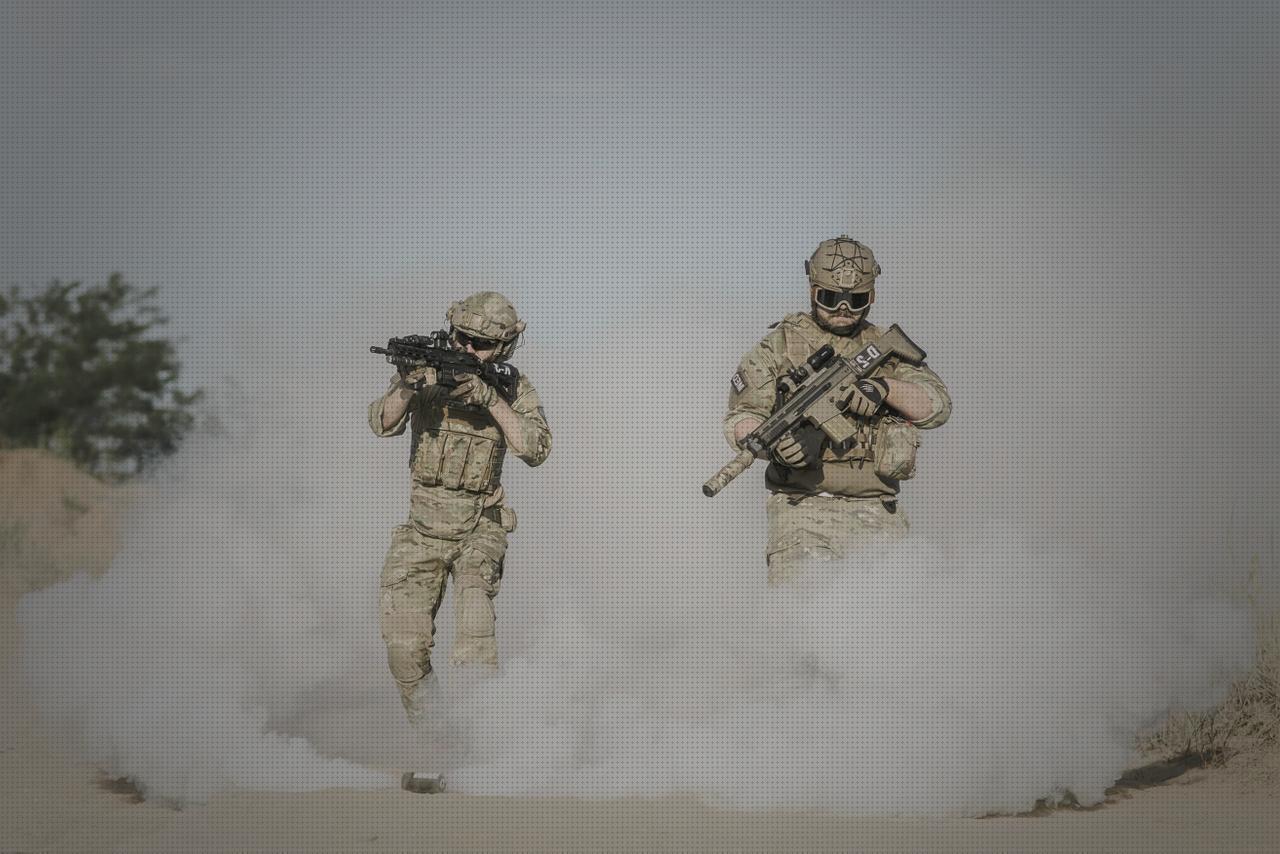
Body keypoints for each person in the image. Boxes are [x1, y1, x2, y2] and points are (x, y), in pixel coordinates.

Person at [368, 291, 551, 791]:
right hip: (421, 528)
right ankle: (440, 743)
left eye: (483, 345)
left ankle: (484, 751)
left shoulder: (514, 389)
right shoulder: (424, 373)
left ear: (505, 348)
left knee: (475, 633)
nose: (468, 350)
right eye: (462, 339)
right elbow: (382, 423)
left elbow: (535, 448)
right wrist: (407, 385)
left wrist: (491, 400)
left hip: (480, 526)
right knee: (404, 648)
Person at [723, 236, 951, 583]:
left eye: (855, 300)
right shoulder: (778, 347)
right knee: (798, 624)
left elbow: (936, 405)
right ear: (813, 289)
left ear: (871, 297)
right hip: (803, 512)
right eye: (829, 298)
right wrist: (774, 447)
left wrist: (884, 388)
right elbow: (742, 417)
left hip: (879, 512)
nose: (843, 308)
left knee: (896, 625)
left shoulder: (883, 348)